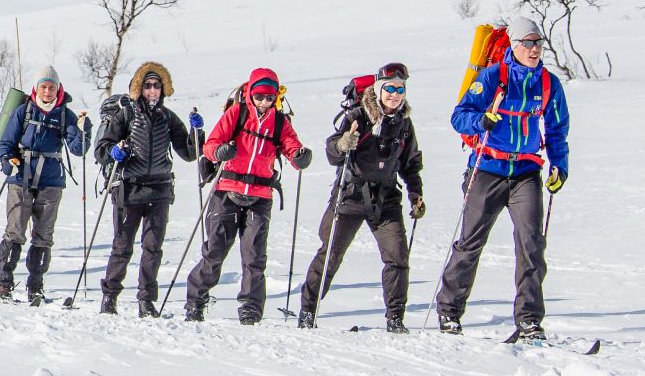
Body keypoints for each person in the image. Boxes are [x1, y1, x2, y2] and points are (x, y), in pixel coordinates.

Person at [437, 15, 571, 340]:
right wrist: (481, 121)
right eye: (528, 43)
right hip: (487, 169)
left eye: (538, 43)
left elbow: (556, 129)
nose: (534, 49)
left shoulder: (549, 84)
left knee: (532, 245)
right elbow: (459, 116)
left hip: (526, 172)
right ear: (515, 45)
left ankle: (529, 321)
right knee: (470, 243)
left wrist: (559, 166)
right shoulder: (493, 76)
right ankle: (449, 313)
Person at [298, 61, 424, 331]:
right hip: (351, 195)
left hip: (386, 199)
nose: (395, 94)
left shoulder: (403, 124)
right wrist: (343, 143)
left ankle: (395, 318)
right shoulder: (358, 115)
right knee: (330, 253)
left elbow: (411, 165)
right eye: (389, 88)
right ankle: (308, 311)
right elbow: (332, 151)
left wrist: (416, 194)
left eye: (400, 89)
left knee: (397, 257)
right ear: (378, 90)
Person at [183, 67, 311, 324]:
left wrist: (300, 156)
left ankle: (251, 310)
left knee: (254, 257)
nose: (264, 102)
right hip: (227, 191)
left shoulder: (279, 122)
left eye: (269, 97)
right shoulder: (237, 113)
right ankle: (196, 301)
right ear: (251, 93)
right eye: (259, 96)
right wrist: (220, 152)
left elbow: (291, 147)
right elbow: (210, 145)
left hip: (261, 195)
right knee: (215, 252)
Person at [92, 59, 197, 316]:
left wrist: (197, 131)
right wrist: (114, 151)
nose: (152, 91)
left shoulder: (167, 117)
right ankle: (110, 296)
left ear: (163, 90)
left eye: (157, 86)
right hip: (129, 188)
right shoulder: (125, 115)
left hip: (159, 189)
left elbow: (189, 152)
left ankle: (146, 300)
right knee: (122, 246)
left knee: (153, 248)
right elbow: (101, 150)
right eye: (148, 86)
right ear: (139, 88)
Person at [0, 66, 85, 305]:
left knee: (43, 236)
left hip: (51, 181)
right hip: (21, 177)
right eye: (43, 86)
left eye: (51, 86)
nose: (47, 91)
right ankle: (4, 281)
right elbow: (7, 143)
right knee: (15, 231)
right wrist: (7, 160)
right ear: (36, 88)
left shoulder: (66, 115)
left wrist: (85, 131)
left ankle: (36, 286)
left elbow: (78, 149)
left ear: (58, 88)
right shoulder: (23, 111)